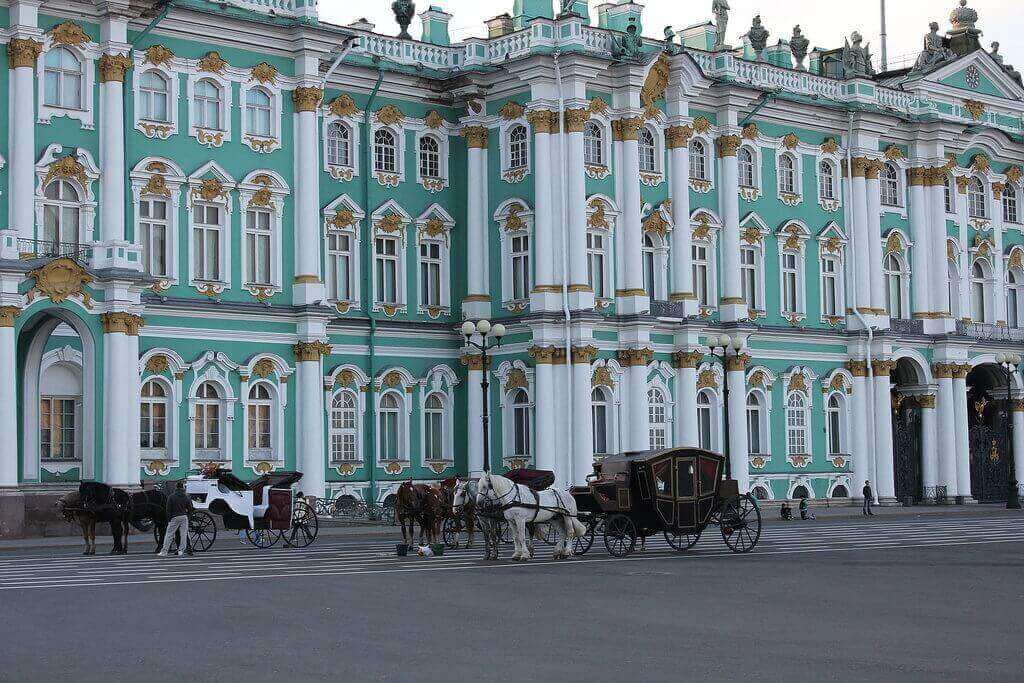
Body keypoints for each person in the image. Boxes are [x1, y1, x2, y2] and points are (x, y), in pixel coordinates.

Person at [159, 481, 193, 557]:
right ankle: (181, 550)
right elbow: (190, 508)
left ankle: (164, 551)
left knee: (169, 535)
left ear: (176, 487)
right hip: (184, 517)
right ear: (182, 487)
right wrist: (188, 517)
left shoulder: (171, 497)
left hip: (174, 517)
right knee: (184, 534)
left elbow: (168, 509)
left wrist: (169, 520)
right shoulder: (186, 497)